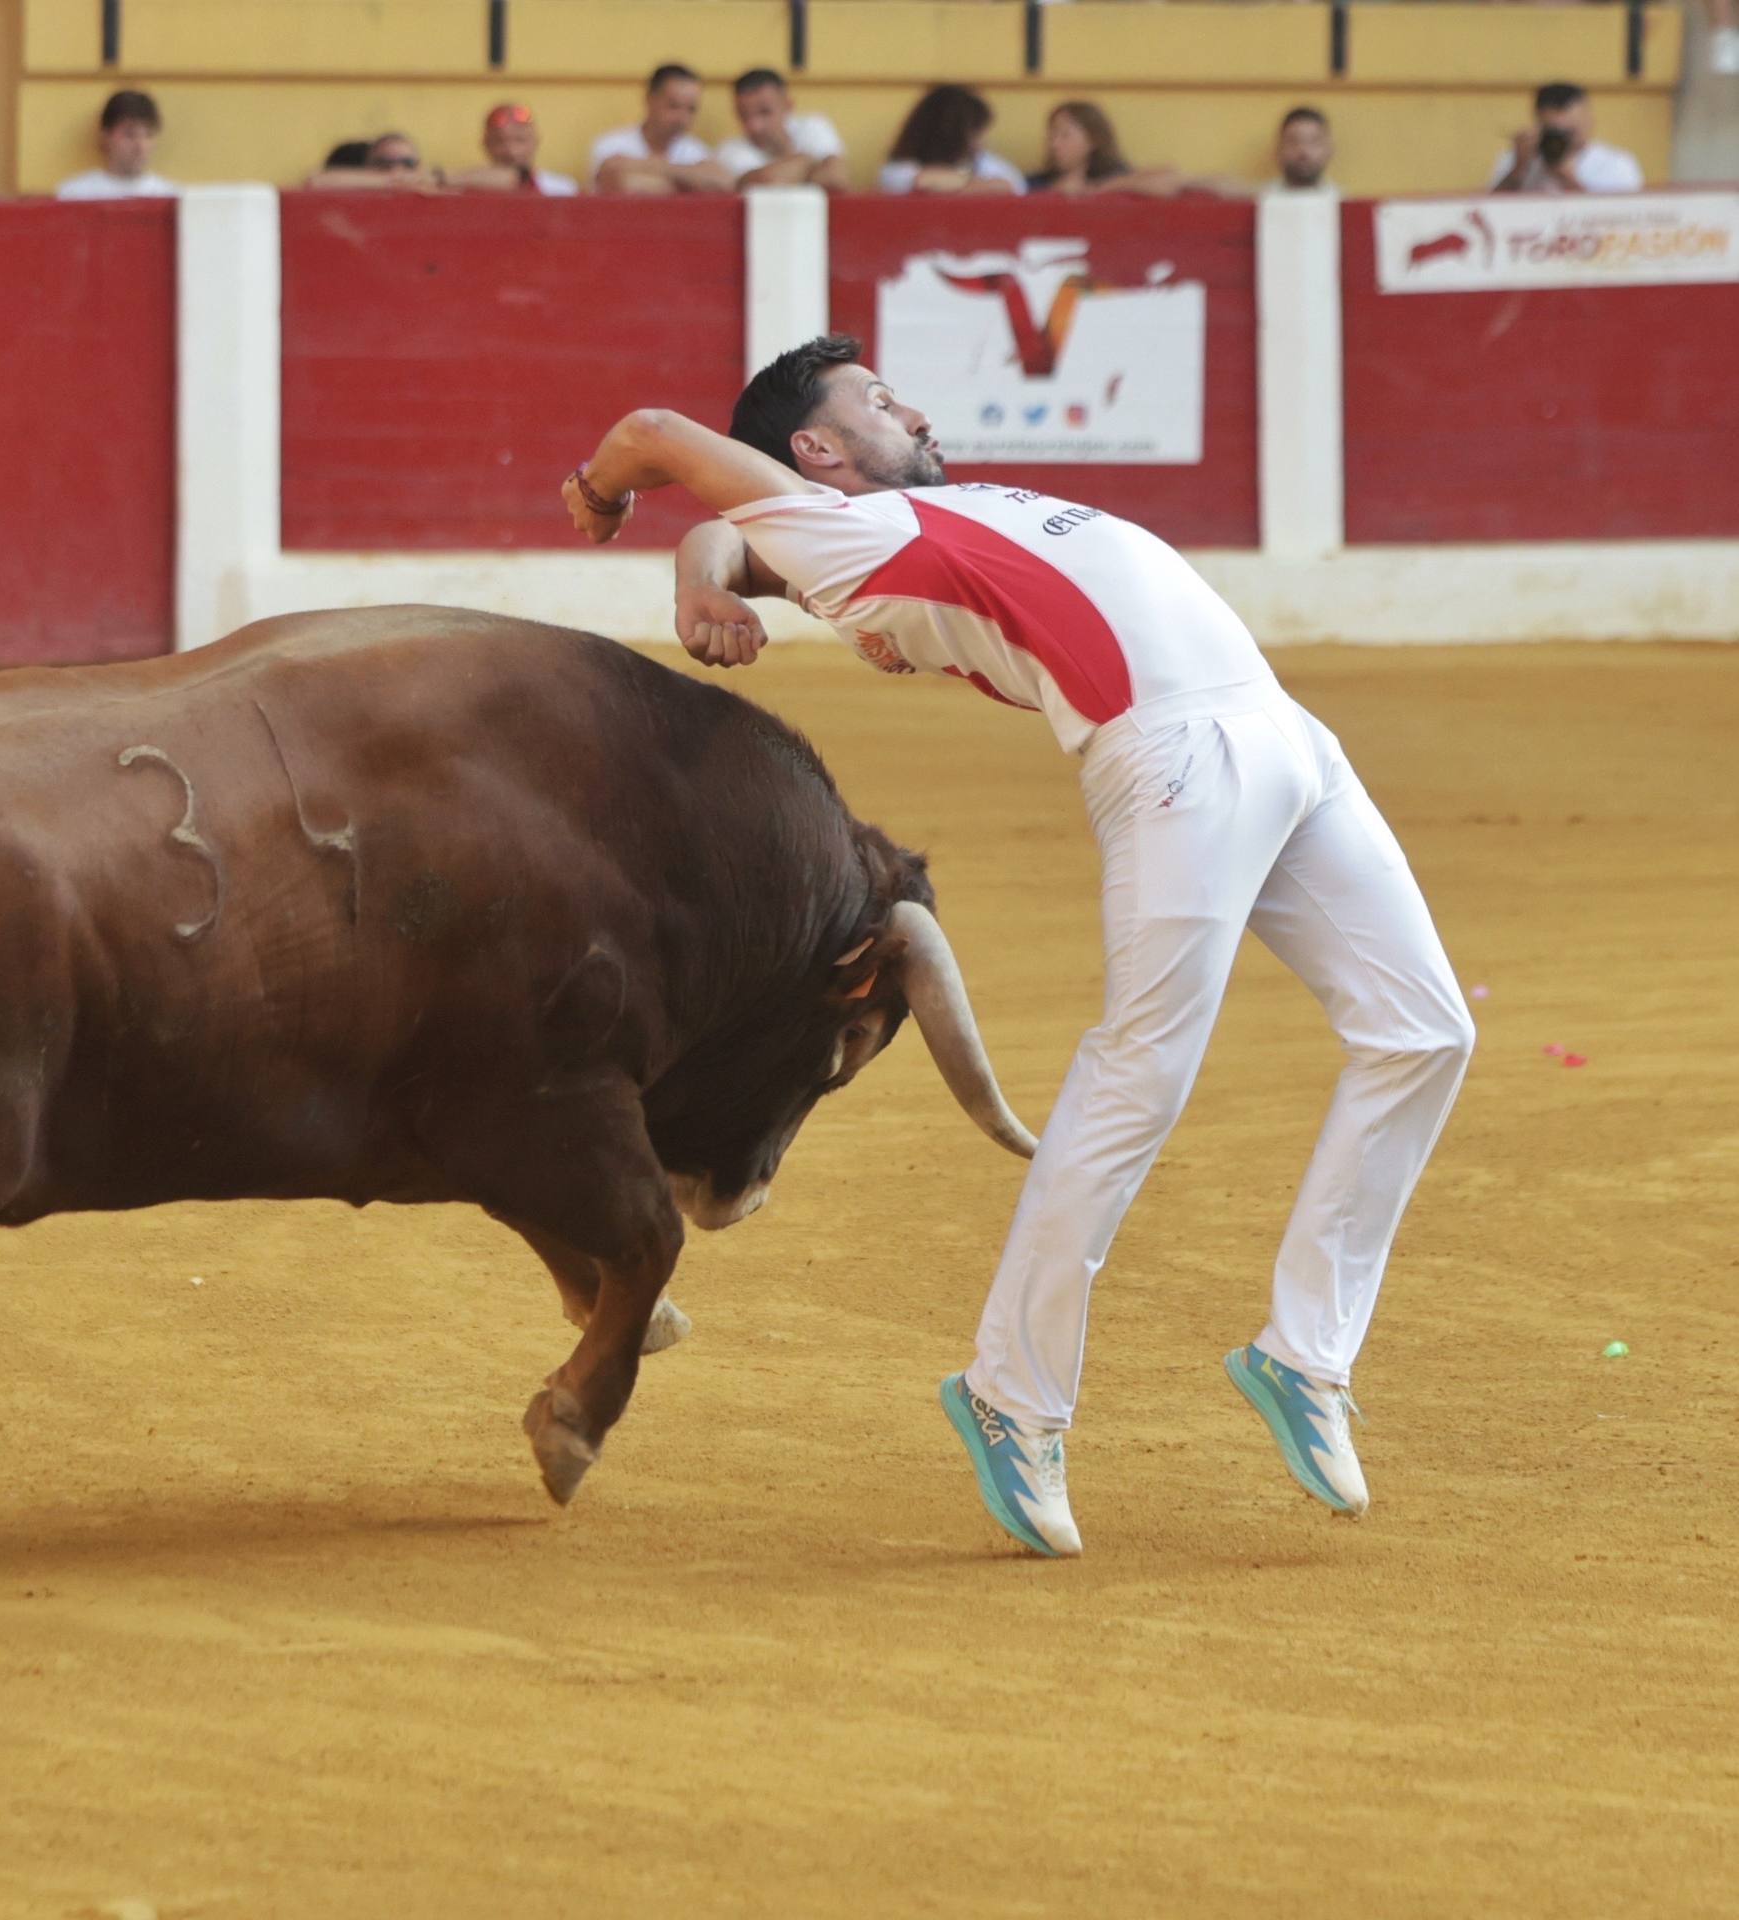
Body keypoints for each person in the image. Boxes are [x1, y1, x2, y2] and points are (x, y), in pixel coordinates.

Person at [559, 335, 1474, 1559]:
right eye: (877, 403)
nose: (914, 409)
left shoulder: (900, 518)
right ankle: (1011, 1395)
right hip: (1168, 752)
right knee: (1139, 1070)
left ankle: (1305, 1351)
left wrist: (700, 577)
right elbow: (656, 435)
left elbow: (733, 533)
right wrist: (601, 494)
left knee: (1424, 1029)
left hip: (1279, 731)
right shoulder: (863, 537)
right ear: (816, 451)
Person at [1028, 100, 1247, 199]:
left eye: (1065, 135)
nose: (1055, 144)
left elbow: (1171, 179)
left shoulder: (1114, 177)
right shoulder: (1038, 181)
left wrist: (1096, 189)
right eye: (1052, 135)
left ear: (1093, 139)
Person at [590, 64, 733, 195]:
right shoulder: (611, 143)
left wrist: (649, 168)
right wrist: (690, 181)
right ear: (649, 99)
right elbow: (622, 184)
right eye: (674, 106)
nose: (682, 118)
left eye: (691, 109)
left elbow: (724, 183)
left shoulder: (696, 149)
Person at [1490, 82, 1644, 194]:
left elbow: (1615, 218)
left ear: (1589, 121)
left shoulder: (1616, 163)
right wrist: (1518, 169)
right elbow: (1491, 209)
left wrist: (1568, 179)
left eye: (1569, 132)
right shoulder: (1517, 158)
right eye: (1553, 132)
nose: (1562, 140)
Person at [879, 84, 1025, 196]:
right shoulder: (897, 169)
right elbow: (923, 181)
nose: (981, 140)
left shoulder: (989, 164)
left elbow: (1009, 186)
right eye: (975, 132)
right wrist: (978, 185)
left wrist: (959, 186)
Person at [715, 69, 848, 192]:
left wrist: (788, 171)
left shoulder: (814, 125)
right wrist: (811, 161)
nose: (754, 126)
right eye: (744, 115)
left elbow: (836, 178)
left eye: (764, 112)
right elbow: (768, 184)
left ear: (788, 105)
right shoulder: (730, 150)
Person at [55, 89, 177, 201]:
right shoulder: (75, 194)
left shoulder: (170, 196)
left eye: (148, 135)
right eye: (130, 134)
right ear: (106, 136)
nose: (140, 146)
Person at [455, 102, 578, 197]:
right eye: (500, 141)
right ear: (485, 144)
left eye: (520, 140)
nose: (511, 151)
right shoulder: (464, 189)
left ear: (536, 140)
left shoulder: (561, 189)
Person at [303, 131, 446, 192]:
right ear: (367, 166)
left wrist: (435, 178)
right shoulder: (355, 189)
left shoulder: (429, 185)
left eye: (407, 163)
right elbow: (315, 180)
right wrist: (393, 181)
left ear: (419, 165)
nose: (396, 169)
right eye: (384, 163)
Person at [1273, 106, 1337, 193]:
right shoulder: (1260, 202)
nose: (1303, 151)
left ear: (1329, 150)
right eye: (1293, 141)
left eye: (1313, 142)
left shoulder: (1342, 202)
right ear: (1279, 149)